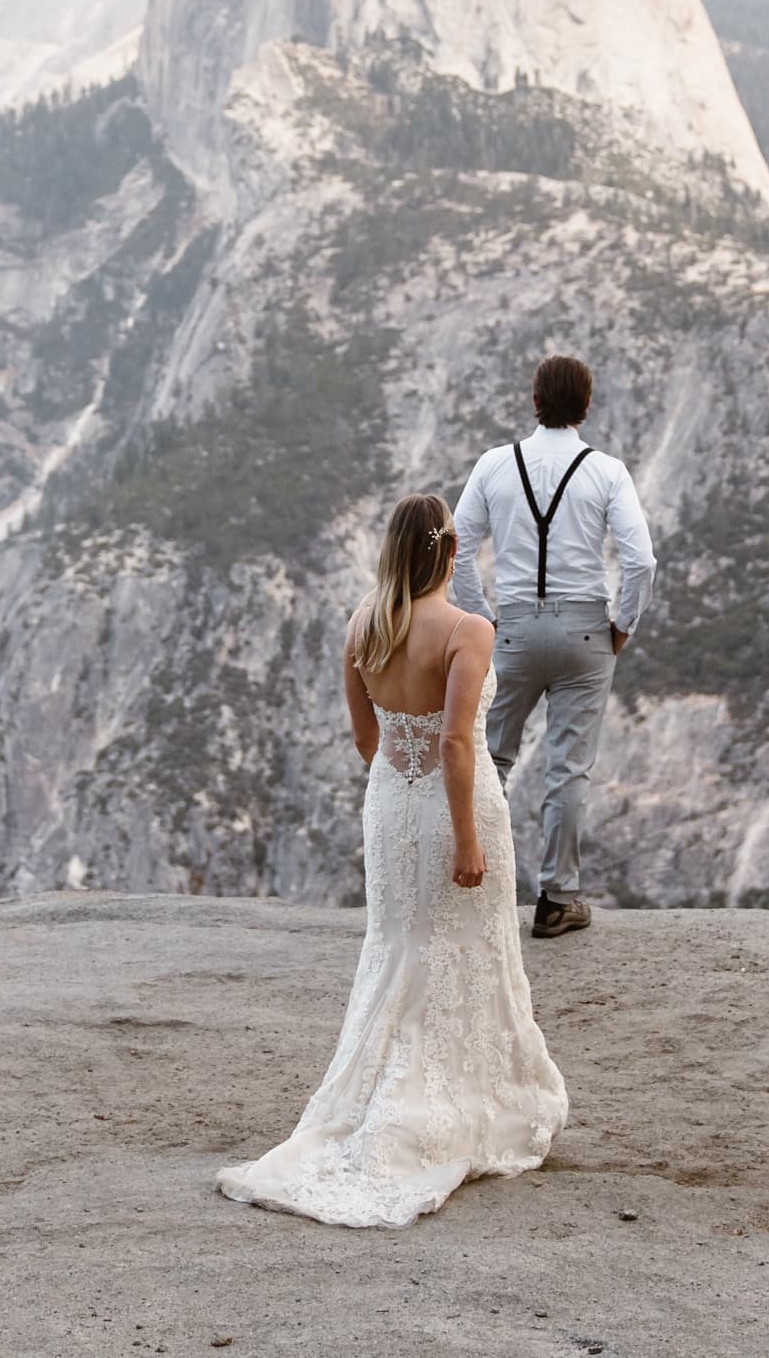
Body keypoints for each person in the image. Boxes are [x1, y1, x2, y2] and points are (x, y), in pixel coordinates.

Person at [216, 492, 567, 1228]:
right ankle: (452, 1112)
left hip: (391, 807)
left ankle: (381, 1102)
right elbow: (457, 743)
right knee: (466, 948)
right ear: (446, 552)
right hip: (453, 808)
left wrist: (400, 789)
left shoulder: (363, 626)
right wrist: (465, 835)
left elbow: (365, 736)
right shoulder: (468, 629)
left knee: (398, 945)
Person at [451, 355, 657, 939]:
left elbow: (458, 547)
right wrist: (623, 625)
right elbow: (641, 560)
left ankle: (473, 888)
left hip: (511, 629)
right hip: (586, 633)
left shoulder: (495, 465)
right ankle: (557, 898)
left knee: (489, 758)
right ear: (586, 406)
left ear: (535, 401)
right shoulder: (607, 470)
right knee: (568, 770)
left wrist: (482, 618)